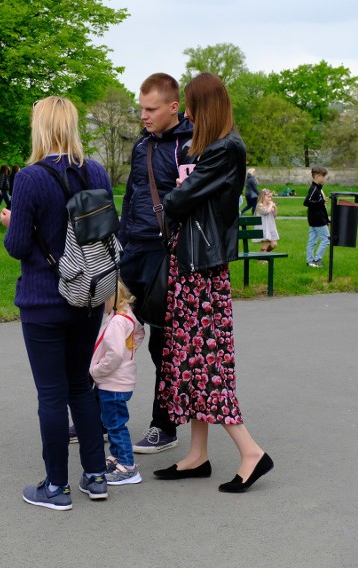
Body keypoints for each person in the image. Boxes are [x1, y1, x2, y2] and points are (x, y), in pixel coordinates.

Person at [154, 72, 273, 494]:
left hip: (203, 269)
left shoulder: (226, 149)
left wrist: (175, 191)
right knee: (189, 360)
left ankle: (250, 451)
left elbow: (177, 200)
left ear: (203, 107)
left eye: (189, 104)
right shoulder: (208, 148)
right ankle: (197, 454)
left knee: (208, 365)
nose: (185, 112)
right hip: (192, 264)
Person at [2, 95, 111, 510]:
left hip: (44, 300)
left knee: (50, 394)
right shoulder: (96, 171)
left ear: (41, 127)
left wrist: (13, 223)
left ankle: (56, 487)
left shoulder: (30, 178)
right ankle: (96, 476)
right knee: (81, 388)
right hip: (87, 296)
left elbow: (17, 247)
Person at [118, 72, 192, 455]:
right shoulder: (141, 144)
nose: (144, 115)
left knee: (162, 345)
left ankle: (164, 426)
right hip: (133, 253)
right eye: (141, 108)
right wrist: (120, 240)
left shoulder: (191, 146)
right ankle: (103, 418)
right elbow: (132, 195)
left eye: (151, 109)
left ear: (173, 107)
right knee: (116, 339)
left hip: (166, 255)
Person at [89, 280, 145, 486]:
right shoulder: (126, 315)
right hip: (121, 381)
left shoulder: (116, 323)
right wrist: (130, 352)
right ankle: (117, 458)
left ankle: (128, 467)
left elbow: (113, 355)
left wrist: (96, 370)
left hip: (111, 383)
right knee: (113, 423)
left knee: (115, 425)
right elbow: (139, 332)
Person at [303, 165, 329, 268]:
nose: (324, 178)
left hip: (314, 219)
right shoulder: (314, 189)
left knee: (312, 241)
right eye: (323, 176)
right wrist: (320, 201)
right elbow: (306, 202)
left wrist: (327, 219)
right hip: (318, 220)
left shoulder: (317, 189)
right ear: (317, 176)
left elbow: (321, 207)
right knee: (326, 239)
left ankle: (309, 261)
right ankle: (317, 259)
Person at [256, 188, 279, 261]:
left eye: (271, 197)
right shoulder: (260, 205)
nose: (270, 198)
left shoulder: (270, 205)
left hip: (270, 227)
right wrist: (271, 205)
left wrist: (274, 207)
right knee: (265, 244)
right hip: (263, 228)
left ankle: (262, 255)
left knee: (274, 244)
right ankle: (262, 259)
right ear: (263, 197)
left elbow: (275, 215)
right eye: (268, 197)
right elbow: (266, 212)